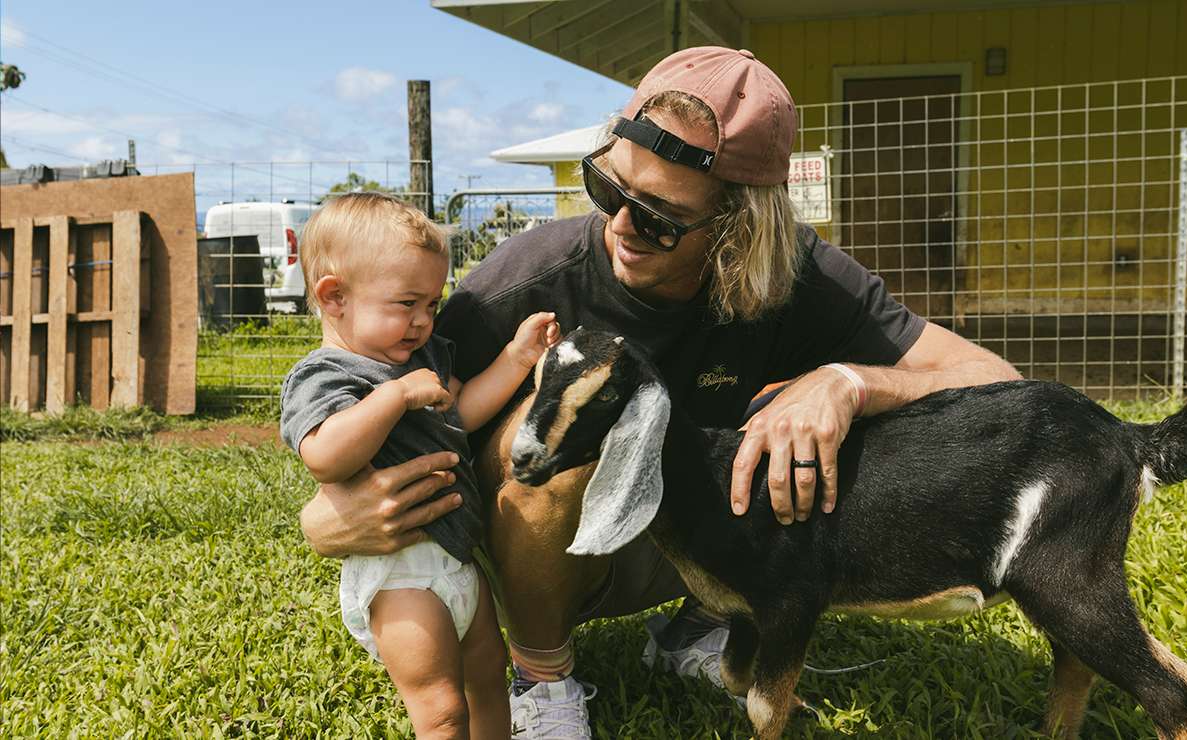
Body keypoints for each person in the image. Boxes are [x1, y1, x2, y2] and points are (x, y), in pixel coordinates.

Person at [299, 47, 1021, 738]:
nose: (619, 226)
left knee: (807, 416)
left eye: (659, 216)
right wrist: (323, 519)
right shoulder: (526, 281)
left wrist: (848, 381)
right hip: (540, 544)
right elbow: (374, 403)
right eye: (607, 188)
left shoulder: (803, 280)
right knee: (563, 411)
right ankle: (542, 680)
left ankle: (701, 626)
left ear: (742, 224)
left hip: (685, 530)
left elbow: (995, 382)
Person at [279, 192, 559, 738]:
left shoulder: (421, 358)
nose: (423, 321)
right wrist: (395, 397)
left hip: (458, 559)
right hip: (400, 573)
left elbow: (465, 409)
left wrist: (517, 359)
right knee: (441, 709)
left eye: (431, 304)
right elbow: (324, 455)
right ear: (334, 297)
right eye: (406, 304)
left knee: (488, 679)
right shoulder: (326, 376)